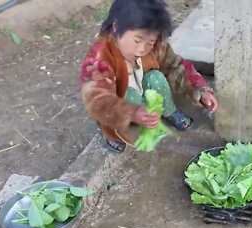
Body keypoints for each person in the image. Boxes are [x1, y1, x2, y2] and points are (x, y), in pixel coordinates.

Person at [79, 0, 218, 153]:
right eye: (137, 40)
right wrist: (132, 112)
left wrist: (200, 90)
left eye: (150, 42)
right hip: (120, 104)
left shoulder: (156, 46)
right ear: (116, 26)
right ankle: (115, 135)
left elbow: (176, 66)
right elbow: (98, 100)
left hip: (143, 90)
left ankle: (169, 111)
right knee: (127, 99)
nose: (141, 49)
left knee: (156, 78)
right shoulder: (99, 58)